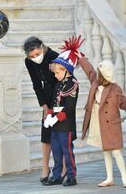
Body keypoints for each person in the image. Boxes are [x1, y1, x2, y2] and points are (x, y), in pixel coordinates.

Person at [76, 51, 126, 188]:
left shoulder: (115, 89)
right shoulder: (95, 82)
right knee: (106, 150)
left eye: (100, 71)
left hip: (111, 124)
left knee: (116, 151)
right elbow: (90, 71)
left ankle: (125, 177)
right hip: (98, 122)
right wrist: (81, 59)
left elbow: (123, 104)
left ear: (105, 74)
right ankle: (109, 178)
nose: (97, 73)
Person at [23, 36, 66, 183]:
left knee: (60, 134)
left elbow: (62, 81)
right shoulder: (29, 62)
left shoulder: (54, 56)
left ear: (42, 47)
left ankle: (65, 168)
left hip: (59, 96)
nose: (35, 57)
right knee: (46, 134)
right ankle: (45, 168)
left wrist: (57, 106)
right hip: (46, 98)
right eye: (32, 56)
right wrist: (45, 107)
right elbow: (36, 85)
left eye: (37, 54)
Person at [42, 36, 84, 186]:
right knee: (56, 151)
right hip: (55, 123)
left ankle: (71, 176)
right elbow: (54, 103)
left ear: (66, 70)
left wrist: (56, 117)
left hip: (65, 124)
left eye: (57, 73)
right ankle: (57, 175)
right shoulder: (60, 84)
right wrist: (49, 116)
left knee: (67, 151)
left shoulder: (72, 84)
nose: (55, 75)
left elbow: (69, 107)